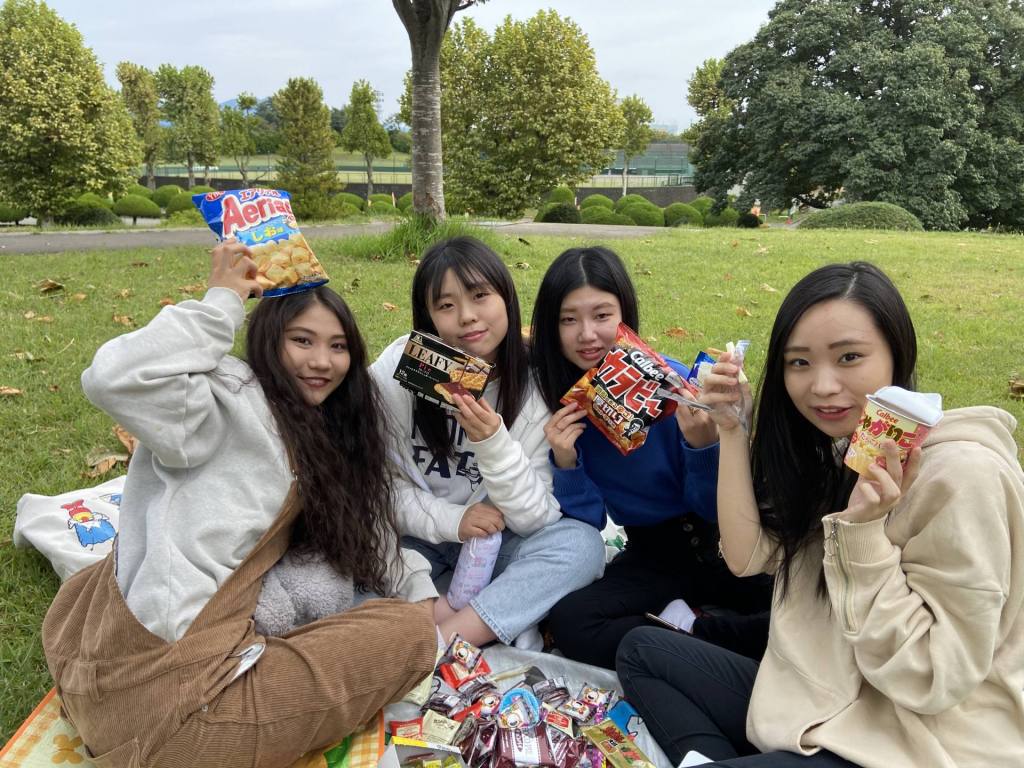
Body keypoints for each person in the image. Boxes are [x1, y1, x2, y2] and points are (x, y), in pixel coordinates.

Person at [42, 240, 438, 768]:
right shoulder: (225, 400)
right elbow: (114, 377)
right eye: (303, 340)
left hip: (98, 668)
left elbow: (369, 530)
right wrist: (222, 300)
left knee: (376, 606)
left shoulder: (317, 431)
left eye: (338, 346)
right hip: (174, 717)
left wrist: (420, 591)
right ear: (269, 338)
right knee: (410, 636)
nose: (322, 362)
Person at [616, 262, 1024, 767]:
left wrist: (864, 536)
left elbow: (931, 678)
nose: (822, 386)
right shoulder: (838, 452)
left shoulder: (962, 475)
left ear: (898, 352)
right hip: (826, 700)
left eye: (849, 356)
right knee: (643, 651)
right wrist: (732, 432)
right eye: (799, 363)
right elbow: (746, 557)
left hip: (917, 741)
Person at [534, 246, 771, 669]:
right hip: (653, 553)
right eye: (568, 320)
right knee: (572, 622)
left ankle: (693, 635)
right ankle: (698, 636)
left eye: (602, 315)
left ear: (625, 315)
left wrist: (702, 447)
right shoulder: (566, 408)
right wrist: (566, 462)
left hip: (722, 543)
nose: (587, 334)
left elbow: (714, 509)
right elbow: (589, 525)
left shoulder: (677, 384)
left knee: (807, 605)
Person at [370, 236, 605, 649]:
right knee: (346, 554)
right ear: (427, 317)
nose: (467, 317)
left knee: (582, 546)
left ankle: (444, 639)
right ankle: (480, 614)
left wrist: (493, 442)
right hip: (413, 541)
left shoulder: (536, 385)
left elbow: (537, 519)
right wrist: (452, 521)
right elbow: (374, 485)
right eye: (445, 305)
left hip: (497, 546)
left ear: (507, 299)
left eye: (481, 296)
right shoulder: (400, 368)